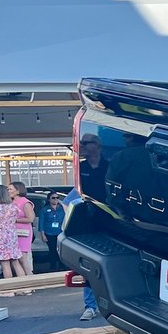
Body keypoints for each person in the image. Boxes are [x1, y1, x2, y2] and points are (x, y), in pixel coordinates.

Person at [62, 188, 98, 320]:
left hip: (105, 232)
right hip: (91, 234)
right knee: (89, 271)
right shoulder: (83, 186)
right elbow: (66, 203)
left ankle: (93, 307)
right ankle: (90, 307)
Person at [0, 184, 27, 296]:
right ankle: (25, 288)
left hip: (0, 237)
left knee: (5, 264)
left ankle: (9, 290)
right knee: (16, 262)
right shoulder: (13, 207)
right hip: (12, 236)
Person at [10, 181, 37, 279]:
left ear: (18, 190)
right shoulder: (12, 202)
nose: (8, 191)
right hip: (13, 233)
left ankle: (30, 279)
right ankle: (25, 279)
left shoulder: (25, 202)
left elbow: (30, 218)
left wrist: (15, 220)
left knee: (22, 258)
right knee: (17, 258)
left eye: (10, 189)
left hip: (23, 232)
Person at [39, 191, 65, 272]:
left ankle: (62, 265)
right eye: (53, 198)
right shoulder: (44, 210)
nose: (55, 199)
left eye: (57, 198)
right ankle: (53, 266)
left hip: (60, 232)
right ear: (49, 199)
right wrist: (43, 234)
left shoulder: (62, 208)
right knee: (52, 250)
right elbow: (41, 222)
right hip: (49, 232)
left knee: (61, 250)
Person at [78, 134, 107, 202]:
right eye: (80, 143)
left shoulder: (110, 167)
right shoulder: (80, 167)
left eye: (84, 143)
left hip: (108, 209)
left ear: (97, 145)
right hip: (88, 209)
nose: (81, 146)